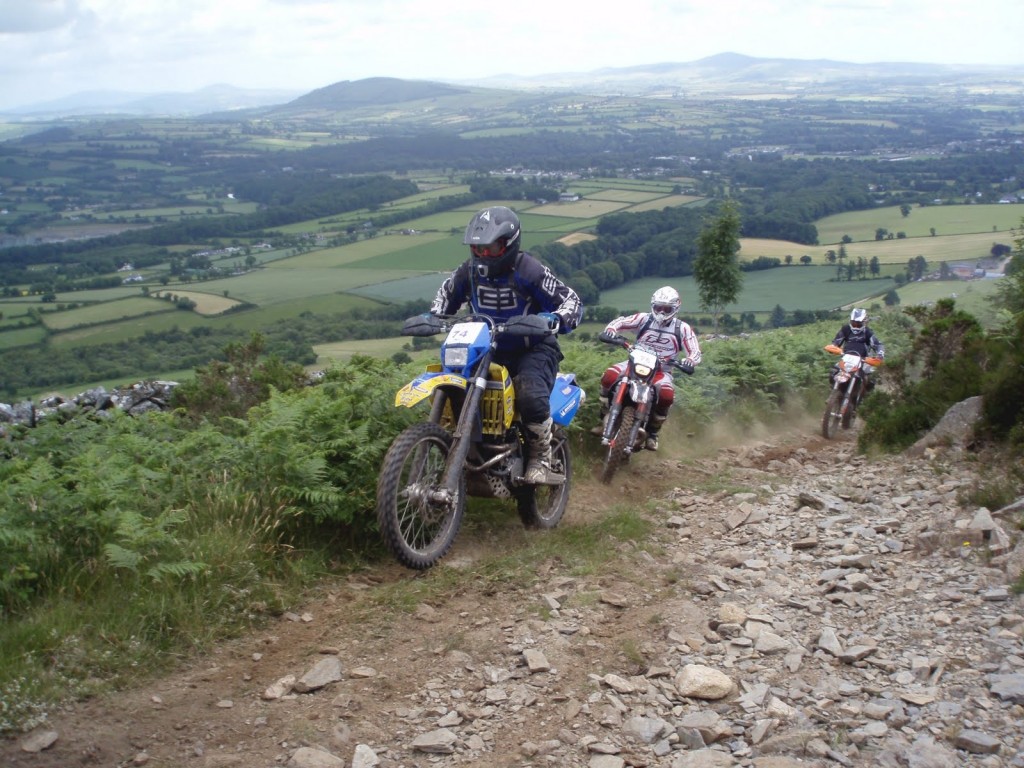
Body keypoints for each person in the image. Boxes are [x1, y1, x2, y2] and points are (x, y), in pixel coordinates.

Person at [430, 206, 583, 484]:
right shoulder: (469, 272)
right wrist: (432, 316)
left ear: (509, 244)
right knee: (450, 379)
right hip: (484, 346)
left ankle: (541, 458)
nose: (483, 255)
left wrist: (554, 318)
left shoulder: (530, 270)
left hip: (532, 347)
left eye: (491, 248)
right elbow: (446, 295)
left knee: (530, 396)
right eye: (478, 249)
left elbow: (571, 300)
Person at [595, 286, 701, 451]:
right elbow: (622, 321)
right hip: (634, 363)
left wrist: (689, 361)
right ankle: (603, 414)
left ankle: (652, 432)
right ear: (653, 305)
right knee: (609, 375)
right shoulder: (644, 319)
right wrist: (610, 330)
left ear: (675, 308)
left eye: (667, 309)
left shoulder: (682, 329)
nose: (662, 312)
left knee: (667, 395)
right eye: (659, 307)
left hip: (662, 371)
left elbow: (694, 351)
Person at [829, 307, 885, 394]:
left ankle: (866, 399)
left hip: (863, 360)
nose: (855, 326)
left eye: (858, 324)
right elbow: (836, 341)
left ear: (864, 322)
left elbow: (878, 345)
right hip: (846, 358)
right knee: (834, 371)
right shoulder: (846, 329)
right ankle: (835, 392)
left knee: (871, 378)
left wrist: (880, 355)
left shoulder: (868, 332)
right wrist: (833, 347)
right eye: (853, 323)